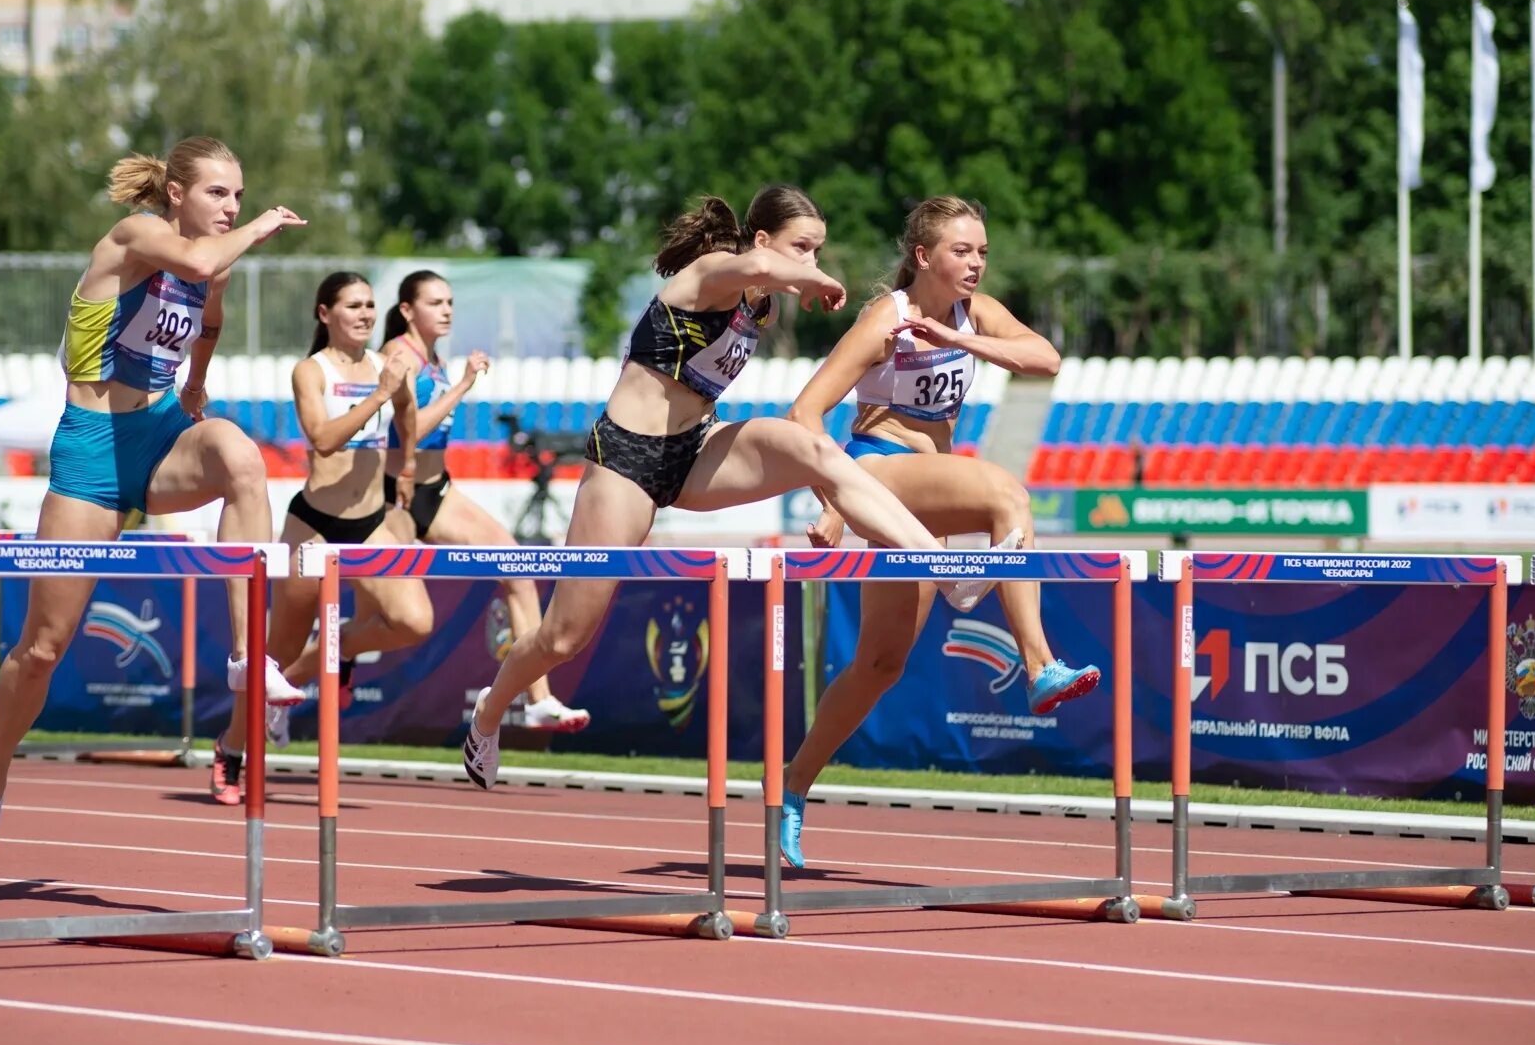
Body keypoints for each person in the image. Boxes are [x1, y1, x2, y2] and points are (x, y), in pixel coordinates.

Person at [459, 186, 1002, 791]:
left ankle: (941, 565)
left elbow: (765, 286)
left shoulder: (761, 305)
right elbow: (762, 266)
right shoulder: (712, 272)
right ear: (764, 241)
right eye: (804, 249)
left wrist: (801, 276)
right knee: (565, 634)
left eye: (820, 253)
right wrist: (811, 279)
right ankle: (490, 710)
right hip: (628, 460)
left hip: (698, 450)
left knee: (810, 445)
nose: (812, 264)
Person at [0, 136, 305, 868]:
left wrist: (196, 386)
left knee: (242, 457)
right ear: (176, 194)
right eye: (219, 193)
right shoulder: (135, 236)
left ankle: (248, 656)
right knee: (42, 649)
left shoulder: (212, 262)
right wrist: (263, 226)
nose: (233, 207)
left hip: (159, 434)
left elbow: (207, 316)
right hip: (91, 449)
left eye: (240, 196)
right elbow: (208, 266)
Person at [776, 195, 1102, 867]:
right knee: (1008, 496)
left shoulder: (968, 313)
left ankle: (788, 788)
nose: (976, 263)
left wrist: (961, 339)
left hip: (927, 493)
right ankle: (1039, 664)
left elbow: (1043, 358)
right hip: (881, 474)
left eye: (982, 251)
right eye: (962, 251)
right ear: (923, 257)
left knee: (879, 665)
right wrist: (835, 499)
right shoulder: (884, 319)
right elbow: (804, 412)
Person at [205, 271, 436, 804]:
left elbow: (408, 419)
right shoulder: (310, 371)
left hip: (372, 524)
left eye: (370, 306)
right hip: (314, 526)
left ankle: (340, 651)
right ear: (324, 313)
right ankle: (231, 750)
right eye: (352, 305)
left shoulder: (391, 367)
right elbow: (324, 440)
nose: (364, 314)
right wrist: (379, 394)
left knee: (414, 621)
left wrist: (403, 471)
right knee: (274, 659)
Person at [379, 269, 590, 731]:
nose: (448, 310)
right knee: (392, 623)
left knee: (517, 568)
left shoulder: (434, 357)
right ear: (407, 310)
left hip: (436, 493)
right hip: (389, 499)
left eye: (450, 302)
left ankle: (538, 699)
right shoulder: (399, 355)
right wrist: (463, 385)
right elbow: (406, 431)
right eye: (436, 303)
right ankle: (296, 677)